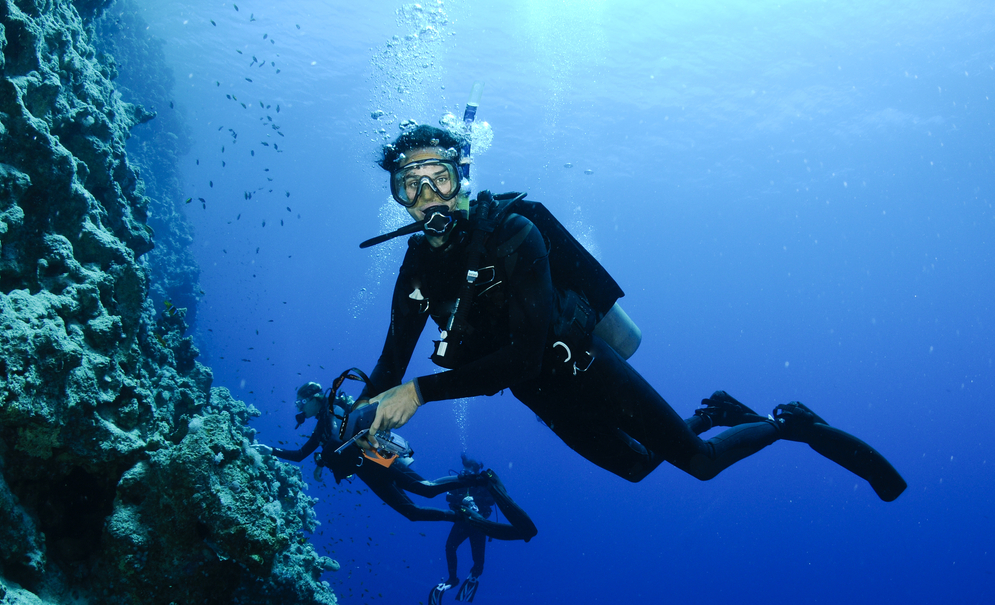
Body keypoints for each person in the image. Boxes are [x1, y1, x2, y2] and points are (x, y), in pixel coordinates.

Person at [355, 124, 907, 502]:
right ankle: (715, 410)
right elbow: (389, 365)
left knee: (699, 463)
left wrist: (421, 392)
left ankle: (788, 425)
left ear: (461, 179)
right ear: (399, 198)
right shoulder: (417, 270)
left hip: (578, 363)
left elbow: (523, 355)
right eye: (410, 184)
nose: (428, 194)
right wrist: (357, 420)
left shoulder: (513, 233)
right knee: (640, 467)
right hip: (541, 393)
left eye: (440, 178)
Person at [262, 380, 538, 539]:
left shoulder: (333, 411)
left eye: (301, 403)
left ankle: (481, 478)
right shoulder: (321, 425)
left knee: (426, 489)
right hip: (367, 473)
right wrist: (269, 450)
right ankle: (462, 516)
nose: (300, 408)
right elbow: (300, 455)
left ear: (314, 399)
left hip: (375, 457)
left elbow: (336, 441)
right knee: (413, 513)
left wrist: (323, 460)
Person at [427, 453, 499, 605]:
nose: (465, 473)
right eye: (464, 470)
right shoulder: (458, 483)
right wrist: (463, 501)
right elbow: (450, 500)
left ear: (475, 471)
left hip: (479, 523)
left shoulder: (482, 484)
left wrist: (476, 499)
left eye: (468, 471)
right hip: (462, 522)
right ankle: (453, 578)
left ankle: (475, 573)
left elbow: (492, 501)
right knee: (449, 547)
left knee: (478, 559)